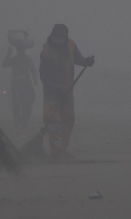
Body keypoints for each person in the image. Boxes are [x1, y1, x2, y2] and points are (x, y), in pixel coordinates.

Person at [39, 24, 94, 160]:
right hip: (52, 93)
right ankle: (57, 153)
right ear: (52, 37)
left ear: (65, 38)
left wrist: (86, 61)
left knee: (68, 120)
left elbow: (78, 59)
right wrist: (55, 89)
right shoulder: (46, 51)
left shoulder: (71, 45)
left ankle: (61, 150)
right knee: (54, 122)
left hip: (67, 91)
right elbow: (43, 75)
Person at [2, 43, 38, 129]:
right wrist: (35, 80)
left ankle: (22, 121)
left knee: (25, 103)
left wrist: (35, 80)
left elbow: (33, 70)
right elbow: (4, 64)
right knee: (19, 103)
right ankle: (20, 121)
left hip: (22, 84)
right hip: (20, 84)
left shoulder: (22, 59)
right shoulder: (23, 59)